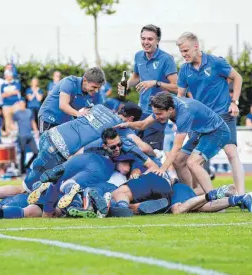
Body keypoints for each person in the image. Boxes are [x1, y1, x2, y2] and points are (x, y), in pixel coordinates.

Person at [24, 102, 157, 194]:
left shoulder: (99, 107)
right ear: (131, 119)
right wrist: (154, 153)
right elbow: (143, 147)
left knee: (33, 180)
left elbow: (81, 113)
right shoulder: (121, 127)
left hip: (50, 134)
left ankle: (29, 189)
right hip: (61, 149)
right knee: (45, 184)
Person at [116, 92, 231, 195]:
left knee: (192, 162)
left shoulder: (184, 114)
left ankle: (215, 198)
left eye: (159, 114)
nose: (157, 117)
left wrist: (162, 169)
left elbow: (176, 147)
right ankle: (189, 194)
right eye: (155, 113)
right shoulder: (164, 103)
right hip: (201, 132)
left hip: (217, 132)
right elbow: (143, 124)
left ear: (170, 110)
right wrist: (127, 125)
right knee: (178, 161)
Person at [29, 128, 155, 217]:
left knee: (64, 179)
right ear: (104, 146)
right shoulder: (104, 149)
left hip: (92, 164)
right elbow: (80, 155)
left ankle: (54, 190)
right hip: (101, 168)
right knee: (98, 186)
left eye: (119, 145)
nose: (117, 148)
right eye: (113, 147)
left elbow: (147, 158)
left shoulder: (130, 147)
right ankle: (81, 197)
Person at [176, 31, 245, 194]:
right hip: (200, 121)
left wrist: (234, 102)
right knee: (189, 160)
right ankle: (204, 195)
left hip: (223, 115)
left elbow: (238, 78)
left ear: (196, 47)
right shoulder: (184, 70)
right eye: (181, 52)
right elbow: (180, 96)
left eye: (186, 51)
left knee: (231, 152)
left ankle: (242, 195)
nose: (183, 55)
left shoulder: (216, 62)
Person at [118, 24, 178, 150]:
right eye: (143, 38)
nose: (145, 42)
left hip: (157, 113)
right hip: (141, 111)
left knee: (151, 151)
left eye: (150, 39)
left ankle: (158, 169)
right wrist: (126, 85)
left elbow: (177, 87)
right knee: (135, 149)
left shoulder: (166, 59)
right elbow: (136, 76)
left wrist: (155, 83)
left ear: (157, 40)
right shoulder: (138, 55)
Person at [38, 67, 105, 134]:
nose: (96, 91)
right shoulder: (70, 82)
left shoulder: (96, 92)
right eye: (94, 87)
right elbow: (63, 105)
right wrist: (79, 114)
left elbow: (101, 111)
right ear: (85, 80)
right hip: (49, 118)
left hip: (65, 122)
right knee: (48, 143)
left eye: (99, 88)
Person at [12, 100, 39, 174]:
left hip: (30, 135)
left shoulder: (29, 112)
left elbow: (32, 122)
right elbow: (12, 123)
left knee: (36, 152)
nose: (21, 105)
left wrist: (36, 130)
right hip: (21, 135)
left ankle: (27, 165)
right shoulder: (16, 113)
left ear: (25, 104)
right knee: (22, 153)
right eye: (20, 104)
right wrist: (14, 129)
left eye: (23, 104)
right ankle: (22, 171)